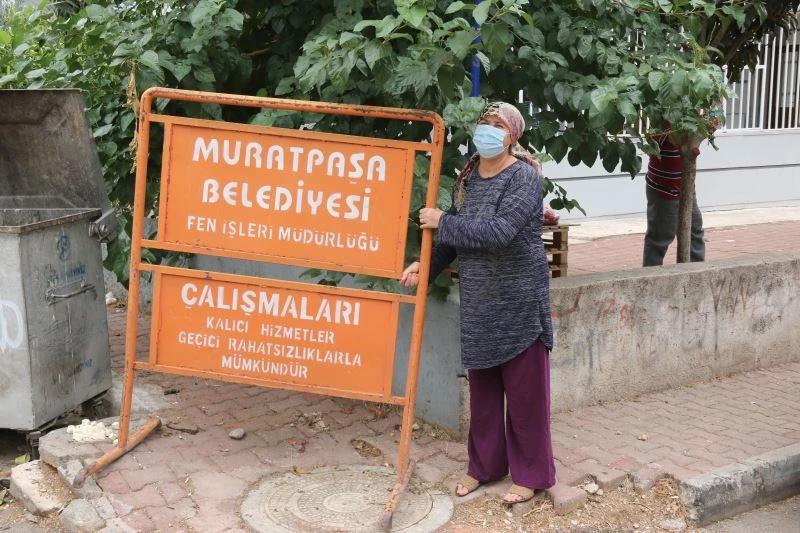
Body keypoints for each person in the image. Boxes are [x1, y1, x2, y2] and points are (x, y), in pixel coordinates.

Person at [400, 102, 556, 504]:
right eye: (484, 123)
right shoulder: (466, 178)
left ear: (512, 135)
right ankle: (484, 467)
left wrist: (442, 221)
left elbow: (499, 232)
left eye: (497, 124)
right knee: (484, 396)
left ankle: (532, 475)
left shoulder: (523, 178)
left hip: (520, 302)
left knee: (525, 399)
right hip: (480, 303)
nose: (488, 130)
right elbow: (453, 237)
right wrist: (425, 265)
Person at [642, 123, 705, 266]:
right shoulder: (663, 116)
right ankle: (652, 281)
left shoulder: (688, 115)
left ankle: (696, 277)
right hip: (664, 188)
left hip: (686, 186)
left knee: (694, 233)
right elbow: (659, 141)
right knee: (660, 238)